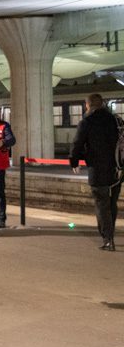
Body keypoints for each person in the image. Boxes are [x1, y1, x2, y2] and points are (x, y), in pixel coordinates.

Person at [69, 94, 122, 251]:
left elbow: (77, 143)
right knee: (112, 204)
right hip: (117, 170)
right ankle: (110, 235)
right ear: (103, 104)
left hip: (97, 170)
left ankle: (108, 239)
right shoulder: (116, 120)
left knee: (101, 204)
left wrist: (74, 161)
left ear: (87, 105)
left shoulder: (87, 122)